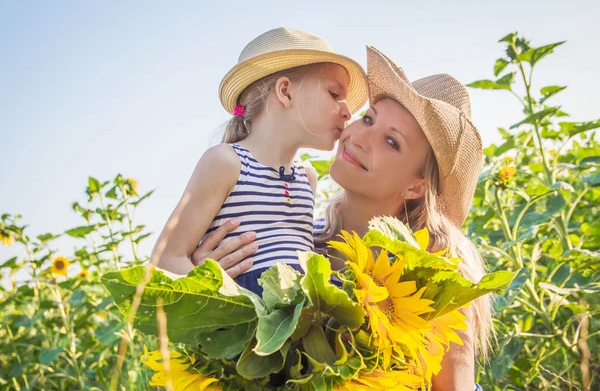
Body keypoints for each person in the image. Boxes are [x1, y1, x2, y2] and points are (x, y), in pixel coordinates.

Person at [191, 45, 490, 391]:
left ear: (416, 186)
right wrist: (203, 280)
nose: (360, 137)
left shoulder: (435, 277)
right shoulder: (299, 248)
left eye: (391, 142)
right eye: (368, 118)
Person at [152, 27, 368, 295]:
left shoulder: (306, 176)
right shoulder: (227, 162)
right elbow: (166, 259)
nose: (348, 112)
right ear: (285, 92)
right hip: (242, 320)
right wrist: (223, 296)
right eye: (334, 94)